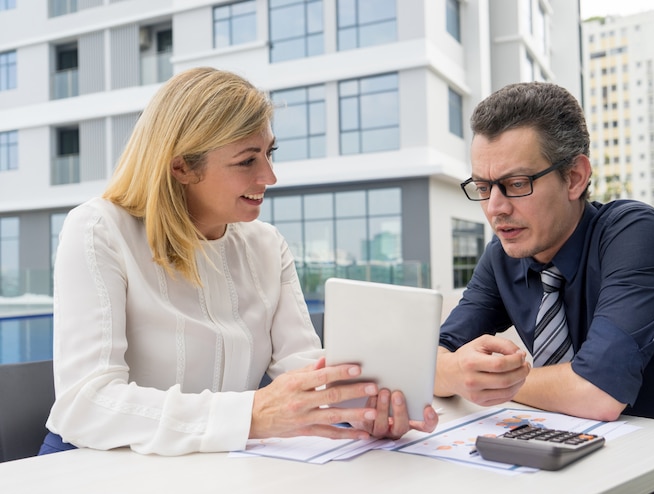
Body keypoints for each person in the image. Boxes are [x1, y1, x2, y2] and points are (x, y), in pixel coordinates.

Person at [40, 67, 438, 456]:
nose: (270, 175)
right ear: (181, 166)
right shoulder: (99, 229)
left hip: (215, 465)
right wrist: (251, 415)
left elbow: (300, 366)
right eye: (248, 160)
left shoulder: (267, 245)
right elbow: (86, 404)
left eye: (269, 153)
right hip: (93, 464)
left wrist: (360, 408)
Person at [434, 82, 654, 492]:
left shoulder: (633, 232)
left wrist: (480, 379)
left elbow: (597, 392)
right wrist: (455, 371)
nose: (495, 208)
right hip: (593, 462)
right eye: (484, 187)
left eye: (517, 183)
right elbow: (431, 355)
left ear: (575, 177)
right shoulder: (503, 255)